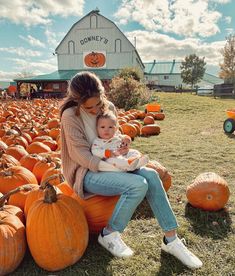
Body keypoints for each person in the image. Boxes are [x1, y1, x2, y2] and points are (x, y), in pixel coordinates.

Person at [60, 71, 202, 269]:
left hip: (114, 164)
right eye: (88, 107)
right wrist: (113, 166)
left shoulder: (109, 107)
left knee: (151, 175)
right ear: (77, 102)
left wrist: (123, 147)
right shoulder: (70, 116)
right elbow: (81, 155)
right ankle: (109, 234)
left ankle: (171, 240)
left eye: (97, 104)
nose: (94, 110)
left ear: (102, 95)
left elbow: (114, 136)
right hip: (87, 172)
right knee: (137, 185)